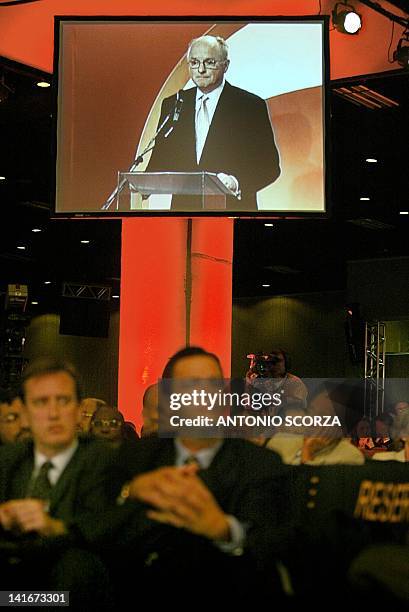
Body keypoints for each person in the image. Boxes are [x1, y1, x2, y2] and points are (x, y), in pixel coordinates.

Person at [90, 347, 293, 604]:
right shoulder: (131, 459)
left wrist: (225, 531)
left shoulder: (261, 464)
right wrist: (130, 492)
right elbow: (96, 529)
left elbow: (275, 545)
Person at [0, 358, 124, 606]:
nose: (53, 414)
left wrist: (53, 526)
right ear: (24, 414)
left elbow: (101, 530)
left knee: (76, 566)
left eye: (63, 401)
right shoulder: (8, 458)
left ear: (79, 411)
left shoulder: (103, 460)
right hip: (12, 583)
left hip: (66, 588)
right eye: (41, 402)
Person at [146, 35, 281, 211]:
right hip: (185, 214)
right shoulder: (174, 103)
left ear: (226, 65)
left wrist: (236, 182)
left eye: (209, 62)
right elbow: (160, 159)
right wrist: (140, 183)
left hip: (233, 211)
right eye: (194, 62)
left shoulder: (250, 106)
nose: (200, 69)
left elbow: (269, 166)